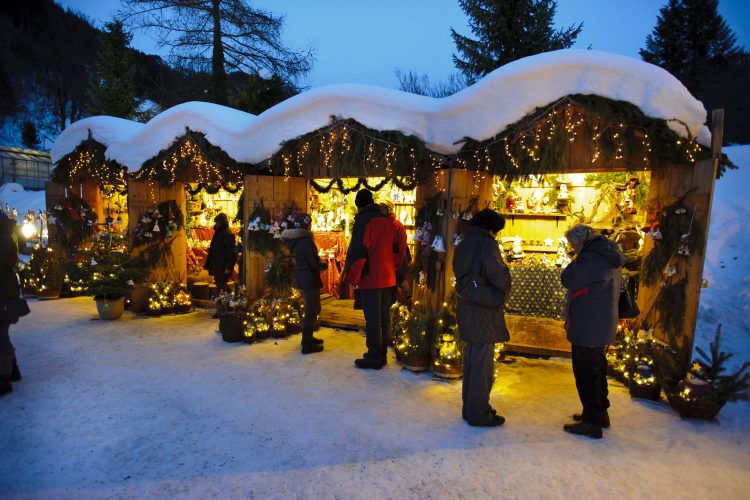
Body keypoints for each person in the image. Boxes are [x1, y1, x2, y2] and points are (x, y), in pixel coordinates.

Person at [560, 224, 625, 439]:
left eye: (572, 245)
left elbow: (568, 279)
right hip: (601, 320)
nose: (572, 249)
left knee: (586, 372)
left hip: (589, 321)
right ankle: (598, 413)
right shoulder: (606, 254)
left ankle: (592, 423)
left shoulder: (590, 258)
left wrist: (575, 261)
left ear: (580, 242)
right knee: (597, 367)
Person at [452, 209, 511, 427]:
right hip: (484, 309)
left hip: (468, 305)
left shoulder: (465, 243)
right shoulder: (486, 244)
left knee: (472, 359)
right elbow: (499, 274)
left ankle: (470, 408)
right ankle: (479, 413)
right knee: (482, 365)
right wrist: (504, 286)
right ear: (490, 228)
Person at [344, 189, 400, 370]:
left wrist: (353, 278)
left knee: (373, 319)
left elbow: (359, 252)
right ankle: (380, 353)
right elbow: (397, 250)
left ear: (359, 206)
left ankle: (375, 357)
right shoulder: (387, 220)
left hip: (371, 277)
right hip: (388, 277)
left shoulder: (363, 220)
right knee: (383, 317)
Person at [281, 212, 326, 354]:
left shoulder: (297, 240)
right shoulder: (306, 241)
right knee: (311, 311)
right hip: (309, 280)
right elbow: (314, 263)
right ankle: (307, 344)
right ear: (307, 225)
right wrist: (324, 264)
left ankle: (308, 337)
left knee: (312, 309)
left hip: (303, 278)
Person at [0, 212, 22, 396]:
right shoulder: (5, 237)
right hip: (6, 289)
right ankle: (11, 369)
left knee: (0, 335)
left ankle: (3, 377)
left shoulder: (2, 239)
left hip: (3, 292)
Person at [378, 198, 410, 308]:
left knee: (398, 289)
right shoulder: (380, 224)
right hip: (385, 264)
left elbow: (401, 248)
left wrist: (396, 265)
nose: (380, 211)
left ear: (388, 209)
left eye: (382, 208)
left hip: (395, 263)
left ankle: (403, 310)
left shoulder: (397, 225)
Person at [205, 212, 236, 295]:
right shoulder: (219, 232)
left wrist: (228, 267)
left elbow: (231, 252)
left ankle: (225, 304)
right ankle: (222, 303)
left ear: (222, 223)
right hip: (218, 265)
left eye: (218, 222)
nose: (216, 224)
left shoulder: (227, 234)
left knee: (223, 286)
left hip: (222, 266)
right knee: (220, 285)